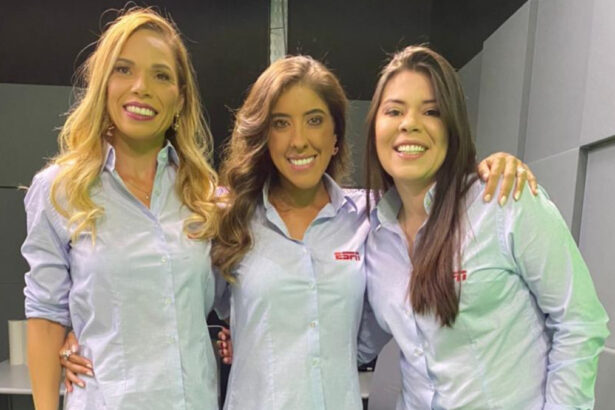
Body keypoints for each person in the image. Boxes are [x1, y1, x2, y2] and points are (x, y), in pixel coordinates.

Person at [61, 54, 533, 408]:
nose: (299, 140)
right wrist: (76, 331)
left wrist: (488, 166)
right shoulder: (227, 218)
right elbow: (165, 287)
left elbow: (376, 318)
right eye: (280, 124)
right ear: (265, 137)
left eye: (314, 121)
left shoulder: (373, 217)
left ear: (335, 136)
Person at [363, 45, 609, 409]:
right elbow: (351, 340)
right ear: (375, 127)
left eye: (431, 111)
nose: (409, 123)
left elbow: (580, 324)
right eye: (394, 110)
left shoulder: (505, 201)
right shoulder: (375, 236)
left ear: (453, 126)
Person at [22, 8, 220, 410]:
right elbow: (45, 315)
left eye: (161, 75)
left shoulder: (205, 195)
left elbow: (235, 297)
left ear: (180, 97)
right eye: (123, 69)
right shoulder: (60, 190)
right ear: (103, 84)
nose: (141, 87)